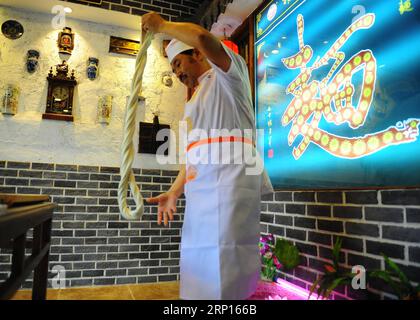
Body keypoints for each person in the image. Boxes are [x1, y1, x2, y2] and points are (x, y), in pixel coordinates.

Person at [143, 12, 273, 300]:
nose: (176, 73)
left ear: (198, 55)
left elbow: (203, 37)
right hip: (200, 189)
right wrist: (174, 192)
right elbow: (195, 154)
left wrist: (162, 27)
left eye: (178, 62)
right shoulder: (195, 99)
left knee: (229, 253)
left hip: (231, 180)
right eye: (172, 68)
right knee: (197, 256)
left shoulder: (228, 75)